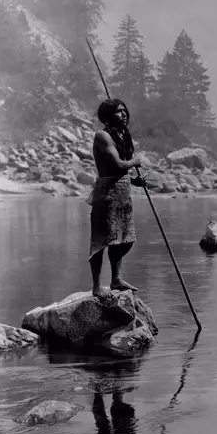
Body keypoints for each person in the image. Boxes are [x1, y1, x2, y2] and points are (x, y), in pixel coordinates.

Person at [86, 98, 145, 299]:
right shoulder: (102, 136)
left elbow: (121, 171)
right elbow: (118, 165)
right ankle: (96, 286)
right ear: (108, 116)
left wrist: (136, 182)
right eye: (119, 112)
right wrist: (135, 161)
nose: (124, 114)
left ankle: (116, 279)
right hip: (106, 193)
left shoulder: (123, 135)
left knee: (123, 239)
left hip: (122, 192)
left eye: (124, 111)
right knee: (102, 239)